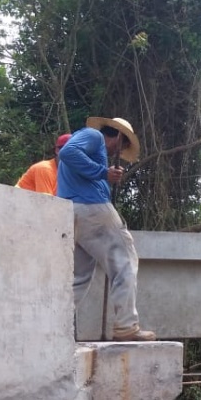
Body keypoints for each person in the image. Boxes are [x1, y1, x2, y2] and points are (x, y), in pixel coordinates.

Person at [57, 116, 156, 341]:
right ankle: (126, 326)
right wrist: (103, 173)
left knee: (79, 277)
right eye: (122, 148)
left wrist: (105, 176)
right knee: (125, 262)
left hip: (71, 212)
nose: (118, 154)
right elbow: (67, 152)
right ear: (119, 137)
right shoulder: (93, 136)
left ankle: (52, 326)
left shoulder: (93, 149)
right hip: (92, 209)